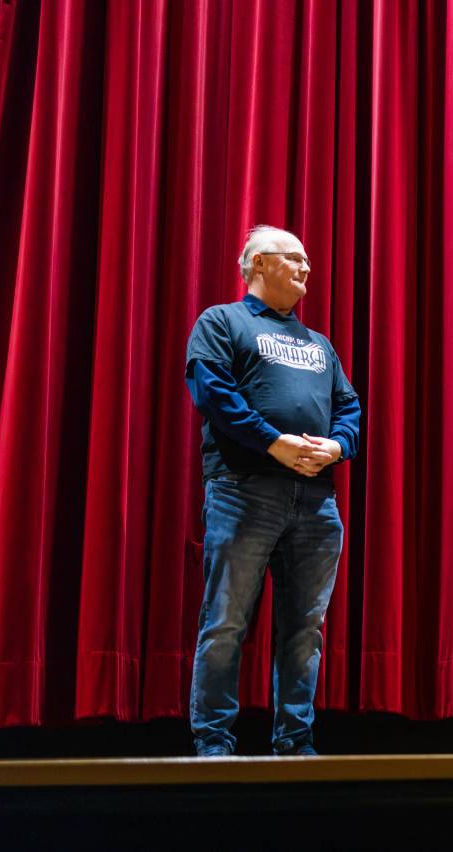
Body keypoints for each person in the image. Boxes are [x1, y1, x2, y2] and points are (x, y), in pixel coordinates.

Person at [185, 225, 360, 757]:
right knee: (226, 622)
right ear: (259, 264)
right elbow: (212, 390)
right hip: (244, 491)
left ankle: (294, 744)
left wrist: (336, 447)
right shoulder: (222, 322)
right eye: (296, 259)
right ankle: (214, 745)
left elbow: (348, 407)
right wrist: (272, 442)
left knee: (305, 630)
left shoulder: (319, 344)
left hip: (315, 500)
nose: (307, 269)